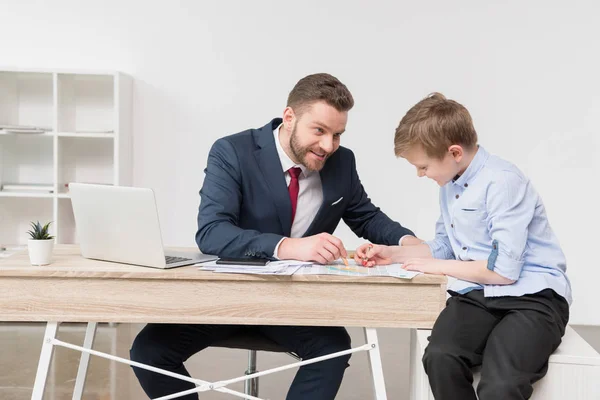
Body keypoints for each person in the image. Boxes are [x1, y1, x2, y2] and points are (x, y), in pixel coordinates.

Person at [130, 73, 418, 400]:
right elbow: (212, 232)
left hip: (292, 304)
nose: (328, 145)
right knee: (148, 352)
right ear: (289, 117)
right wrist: (290, 247)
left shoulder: (342, 162)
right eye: (320, 131)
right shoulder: (232, 152)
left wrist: (409, 244)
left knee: (333, 350)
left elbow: (366, 215)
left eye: (337, 134)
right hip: (225, 298)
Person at [356, 92, 572, 400]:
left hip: (532, 298)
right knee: (440, 357)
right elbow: (445, 246)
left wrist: (436, 267)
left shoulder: (503, 182)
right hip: (477, 295)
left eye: (423, 167)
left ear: (454, 152)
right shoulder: (450, 185)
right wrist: (391, 254)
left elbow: (504, 272)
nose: (420, 175)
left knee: (500, 384)